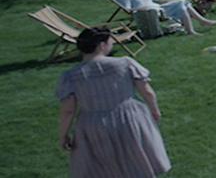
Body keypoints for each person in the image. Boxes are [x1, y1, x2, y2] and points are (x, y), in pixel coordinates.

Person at [57, 28, 171, 178]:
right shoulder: (125, 63)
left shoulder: (70, 75)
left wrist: (62, 135)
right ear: (101, 45)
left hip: (92, 124)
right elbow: (147, 92)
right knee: (136, 160)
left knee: (102, 168)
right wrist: (154, 109)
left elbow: (68, 110)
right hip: (130, 117)